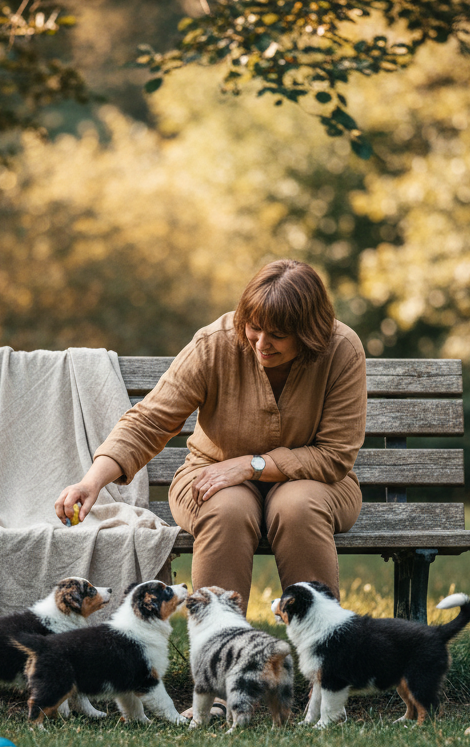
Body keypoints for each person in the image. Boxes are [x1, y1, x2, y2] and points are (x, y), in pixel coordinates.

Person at [54, 259, 366, 610]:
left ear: (309, 334)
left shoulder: (342, 349)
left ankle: (327, 652)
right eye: (254, 327)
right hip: (211, 474)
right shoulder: (214, 343)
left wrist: (251, 465)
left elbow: (334, 455)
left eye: (278, 335)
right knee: (227, 510)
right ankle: (218, 653)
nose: (262, 344)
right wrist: (92, 481)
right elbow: (150, 420)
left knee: (297, 507)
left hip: (316, 481)